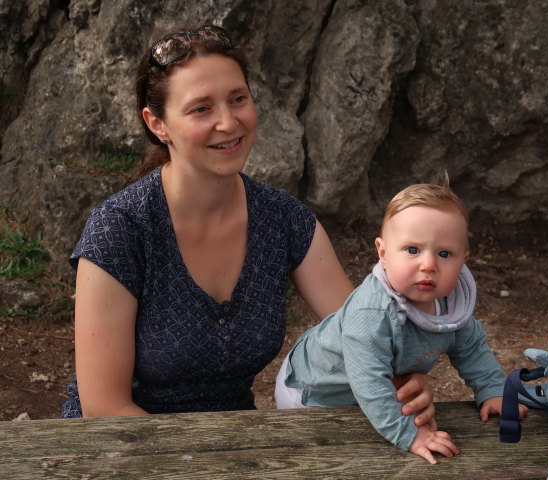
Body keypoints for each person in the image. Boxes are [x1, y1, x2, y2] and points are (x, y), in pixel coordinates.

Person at [60, 24, 435, 420]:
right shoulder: (120, 230)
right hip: (122, 447)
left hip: (237, 441)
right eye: (201, 108)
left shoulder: (284, 220)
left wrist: (403, 381)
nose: (228, 122)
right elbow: (105, 408)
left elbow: (364, 333)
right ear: (158, 124)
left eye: (238, 99)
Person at [275, 178, 529, 464]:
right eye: (412, 250)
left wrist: (492, 389)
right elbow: (369, 382)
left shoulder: (451, 305)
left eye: (444, 254)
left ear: (463, 260)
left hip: (370, 390)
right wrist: (409, 434)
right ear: (382, 253)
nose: (429, 264)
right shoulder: (372, 313)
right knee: (326, 456)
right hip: (312, 390)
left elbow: (471, 347)